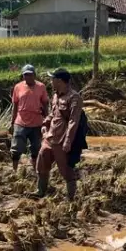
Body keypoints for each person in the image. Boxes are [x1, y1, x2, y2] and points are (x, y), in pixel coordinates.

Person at [36, 68, 84, 200]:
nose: (50, 81)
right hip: (50, 136)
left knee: (65, 170)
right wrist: (45, 124)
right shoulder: (56, 95)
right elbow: (53, 114)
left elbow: (73, 121)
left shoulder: (74, 98)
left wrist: (68, 140)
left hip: (62, 139)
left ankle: (71, 198)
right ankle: (41, 191)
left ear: (59, 81)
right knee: (42, 160)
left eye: (52, 78)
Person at [11, 64, 48, 172]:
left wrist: (47, 120)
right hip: (21, 122)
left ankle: (36, 171)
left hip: (36, 123)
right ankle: (14, 171)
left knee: (36, 149)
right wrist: (12, 122)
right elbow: (15, 105)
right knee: (16, 149)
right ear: (23, 76)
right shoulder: (18, 87)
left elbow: (45, 103)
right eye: (25, 75)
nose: (27, 77)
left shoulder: (41, 87)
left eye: (30, 75)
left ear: (34, 75)